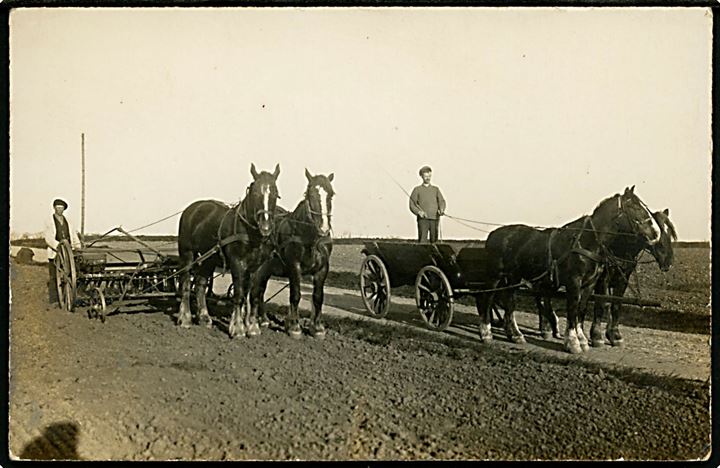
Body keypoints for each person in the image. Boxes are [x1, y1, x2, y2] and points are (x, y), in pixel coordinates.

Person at [44, 199, 82, 306]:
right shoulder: (49, 221)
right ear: (54, 208)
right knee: (54, 276)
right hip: (56, 252)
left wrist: (77, 246)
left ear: (64, 209)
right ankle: (54, 300)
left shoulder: (68, 221)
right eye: (58, 207)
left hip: (68, 252)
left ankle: (74, 294)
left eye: (61, 208)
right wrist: (59, 246)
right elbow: (48, 238)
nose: (59, 209)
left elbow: (73, 235)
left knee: (74, 273)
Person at [409, 166, 446, 243]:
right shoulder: (417, 189)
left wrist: (441, 209)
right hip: (423, 220)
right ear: (421, 176)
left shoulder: (436, 189)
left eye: (429, 176)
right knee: (422, 241)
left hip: (434, 219)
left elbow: (442, 201)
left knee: (434, 241)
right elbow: (412, 204)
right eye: (426, 176)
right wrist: (419, 212)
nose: (428, 178)